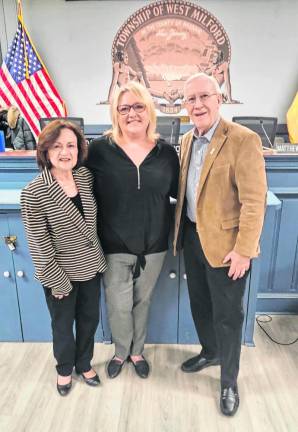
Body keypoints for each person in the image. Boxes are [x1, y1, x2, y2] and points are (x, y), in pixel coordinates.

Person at [173, 73, 267, 416]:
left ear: (218, 99)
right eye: (191, 99)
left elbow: (254, 202)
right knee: (200, 305)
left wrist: (244, 250)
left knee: (228, 315)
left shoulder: (243, 140)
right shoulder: (186, 140)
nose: (197, 105)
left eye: (203, 97)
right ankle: (210, 351)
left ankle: (229, 380)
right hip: (194, 239)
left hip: (229, 248)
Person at [87, 81, 179, 379]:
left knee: (143, 300)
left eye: (138, 106)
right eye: (124, 108)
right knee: (117, 304)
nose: (132, 113)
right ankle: (120, 351)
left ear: (149, 111)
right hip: (113, 244)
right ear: (115, 113)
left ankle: (137, 351)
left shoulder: (166, 153)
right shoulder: (99, 150)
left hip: (154, 245)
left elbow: (180, 194)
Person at [20, 120, 106, 396]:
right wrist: (57, 281)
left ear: (79, 149)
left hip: (91, 266)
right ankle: (65, 369)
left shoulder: (84, 177)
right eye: (57, 146)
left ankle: (84, 362)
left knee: (89, 319)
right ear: (45, 151)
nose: (65, 152)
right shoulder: (34, 192)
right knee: (62, 326)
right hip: (61, 275)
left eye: (70, 145)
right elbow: (38, 244)